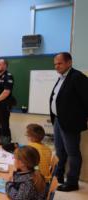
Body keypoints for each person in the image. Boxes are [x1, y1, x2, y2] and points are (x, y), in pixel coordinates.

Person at [50, 52, 88, 192]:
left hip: (71, 123)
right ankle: (58, 176)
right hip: (58, 121)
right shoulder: (61, 78)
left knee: (72, 153)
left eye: (59, 63)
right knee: (60, 151)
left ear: (69, 63)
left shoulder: (77, 77)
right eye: (55, 64)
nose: (56, 66)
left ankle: (72, 182)